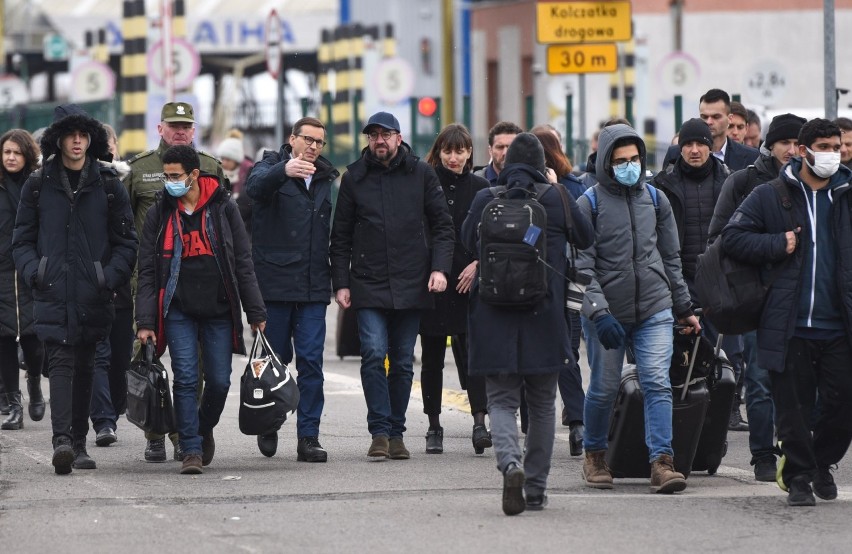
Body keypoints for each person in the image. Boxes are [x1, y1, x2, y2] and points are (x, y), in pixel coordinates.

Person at [721, 118, 852, 507]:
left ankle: (821, 462)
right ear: (803, 150)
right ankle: (797, 477)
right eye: (824, 146)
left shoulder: (846, 194)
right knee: (792, 409)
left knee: (842, 404)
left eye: (837, 146)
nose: (832, 153)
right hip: (789, 321)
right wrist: (778, 243)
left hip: (839, 325)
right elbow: (732, 237)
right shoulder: (771, 194)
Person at [461, 133, 594, 514]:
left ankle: (510, 464)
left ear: (504, 164)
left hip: (493, 314)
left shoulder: (486, 198)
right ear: (542, 163)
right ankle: (535, 488)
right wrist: (555, 191)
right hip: (544, 314)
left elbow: (468, 239)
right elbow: (586, 237)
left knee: (501, 400)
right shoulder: (556, 198)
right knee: (540, 406)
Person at [12, 104, 138, 474]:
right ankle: (62, 441)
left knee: (85, 365)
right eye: (71, 135)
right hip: (52, 290)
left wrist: (108, 277)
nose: (78, 141)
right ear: (59, 139)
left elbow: (126, 241)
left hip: (93, 292)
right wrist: (36, 272)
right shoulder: (39, 183)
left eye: (84, 135)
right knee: (63, 364)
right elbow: (22, 240)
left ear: (92, 139)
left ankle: (79, 444)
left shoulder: (110, 183)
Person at [576, 123, 700, 494]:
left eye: (634, 159)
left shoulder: (657, 200)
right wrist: (599, 312)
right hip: (607, 315)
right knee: (604, 386)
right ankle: (595, 455)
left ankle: (662, 462)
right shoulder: (590, 204)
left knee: (657, 383)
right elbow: (582, 267)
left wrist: (683, 307)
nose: (629, 166)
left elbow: (670, 257)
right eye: (620, 161)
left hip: (654, 308)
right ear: (604, 164)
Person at [135, 145, 266, 475]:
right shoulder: (161, 212)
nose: (169, 182)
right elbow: (149, 270)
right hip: (178, 309)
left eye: (175, 176)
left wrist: (255, 311)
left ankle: (203, 427)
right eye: (166, 176)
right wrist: (146, 320)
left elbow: (243, 262)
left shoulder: (223, 207)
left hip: (219, 309)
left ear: (194, 174)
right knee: (186, 378)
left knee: (220, 382)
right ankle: (191, 447)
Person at [330, 111, 454, 460]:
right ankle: (379, 432)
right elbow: (340, 237)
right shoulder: (355, 177)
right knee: (372, 353)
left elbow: (443, 226)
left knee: (401, 362)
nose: (379, 141)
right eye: (373, 135)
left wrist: (440, 269)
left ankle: (397, 433)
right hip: (368, 283)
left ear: (399, 138)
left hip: (412, 282)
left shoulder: (422, 173)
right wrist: (341, 282)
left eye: (385, 135)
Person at [125, 101, 226, 463]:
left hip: (194, 282)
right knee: (148, 358)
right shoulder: (139, 170)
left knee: (193, 367)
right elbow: (122, 224)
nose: (180, 130)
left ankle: (187, 435)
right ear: (160, 128)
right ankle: (153, 432)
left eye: (186, 125)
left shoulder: (209, 167)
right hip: (150, 278)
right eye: (174, 125)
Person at [708, 112, 806, 481]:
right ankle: (763, 453)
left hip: (803, 298)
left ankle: (797, 449)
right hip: (757, 297)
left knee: (801, 381)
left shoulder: (813, 186)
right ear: (770, 144)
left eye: (799, 144)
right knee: (761, 380)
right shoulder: (745, 182)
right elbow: (720, 239)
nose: (792, 151)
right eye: (785, 143)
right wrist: (773, 247)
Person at [245, 117, 339, 462]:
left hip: (314, 286)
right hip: (276, 284)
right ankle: (269, 422)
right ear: (293, 139)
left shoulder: (326, 176)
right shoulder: (271, 166)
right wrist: (284, 170)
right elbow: (253, 189)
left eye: (319, 142)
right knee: (274, 361)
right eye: (308, 139)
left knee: (312, 363)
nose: (313, 146)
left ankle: (309, 437)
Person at [419, 123, 490, 455]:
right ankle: (434, 424)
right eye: (447, 150)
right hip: (434, 280)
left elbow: (489, 234)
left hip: (468, 281)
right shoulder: (426, 183)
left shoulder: (481, 186)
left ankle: (479, 421)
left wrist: (478, 263)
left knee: (474, 354)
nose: (453, 157)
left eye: (460, 150)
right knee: (432, 355)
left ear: (470, 152)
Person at [531, 124, 587, 456]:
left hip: (558, 280)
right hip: (566, 280)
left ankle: (575, 420)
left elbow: (580, 232)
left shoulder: (568, 187)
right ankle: (576, 421)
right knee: (567, 351)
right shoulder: (571, 186)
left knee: (563, 351)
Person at [89, 123, 133, 447]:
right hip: (90, 285)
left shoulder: (124, 180)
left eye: (110, 143)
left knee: (120, 357)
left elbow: (128, 238)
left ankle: (114, 408)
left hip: (121, 282)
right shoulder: (87, 182)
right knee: (97, 355)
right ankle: (103, 420)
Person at [0, 129, 45, 429]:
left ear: (27, 154)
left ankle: (35, 385)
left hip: (31, 269)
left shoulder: (38, 184)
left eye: (17, 152)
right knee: (3, 338)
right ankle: (13, 404)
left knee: (32, 336)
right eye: (6, 152)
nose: (11, 157)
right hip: (2, 271)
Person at [662, 89, 759, 171]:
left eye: (716, 117)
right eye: (704, 117)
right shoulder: (675, 153)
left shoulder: (751, 156)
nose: (709, 122)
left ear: (729, 118)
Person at [217, 129, 254, 230]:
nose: (224, 162)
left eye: (228, 159)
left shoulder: (249, 172)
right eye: (222, 158)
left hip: (244, 227)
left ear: (236, 159)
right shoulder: (219, 173)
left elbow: (245, 203)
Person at [473, 121, 523, 185]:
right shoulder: (474, 183)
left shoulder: (531, 183)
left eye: (511, 147)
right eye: (500, 147)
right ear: (490, 150)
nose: (505, 153)